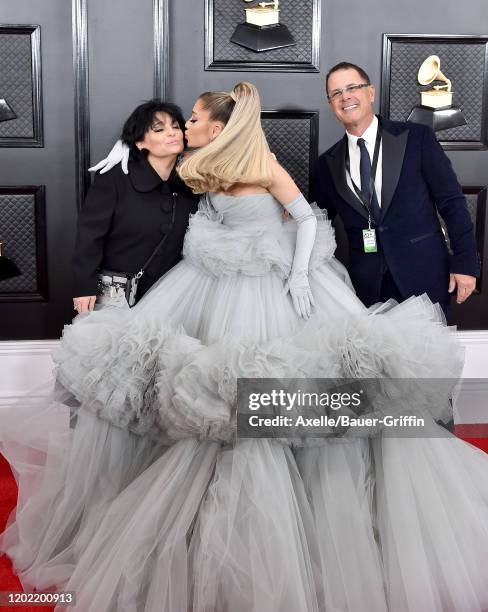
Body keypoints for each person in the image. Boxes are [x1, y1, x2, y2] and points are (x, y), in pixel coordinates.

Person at [1, 82, 488, 612]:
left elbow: (304, 218)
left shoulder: (263, 165)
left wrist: (300, 275)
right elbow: (159, 177)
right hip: (212, 285)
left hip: (277, 286)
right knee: (209, 396)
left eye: (192, 117)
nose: (185, 125)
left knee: (281, 394)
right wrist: (128, 152)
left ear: (218, 124)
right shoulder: (204, 165)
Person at [312, 61, 480, 317]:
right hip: (367, 288)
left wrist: (466, 263)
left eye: (352, 87)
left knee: (426, 358)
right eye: (336, 93)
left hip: (424, 276)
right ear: (331, 103)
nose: (345, 97)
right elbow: (314, 221)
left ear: (370, 92)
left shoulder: (417, 138)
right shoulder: (327, 164)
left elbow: (452, 202)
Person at [72, 99, 198, 313]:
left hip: (172, 296)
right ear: (140, 143)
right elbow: (90, 236)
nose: (171, 132)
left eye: (175, 126)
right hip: (118, 294)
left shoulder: (193, 182)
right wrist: (84, 286)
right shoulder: (115, 179)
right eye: (159, 129)